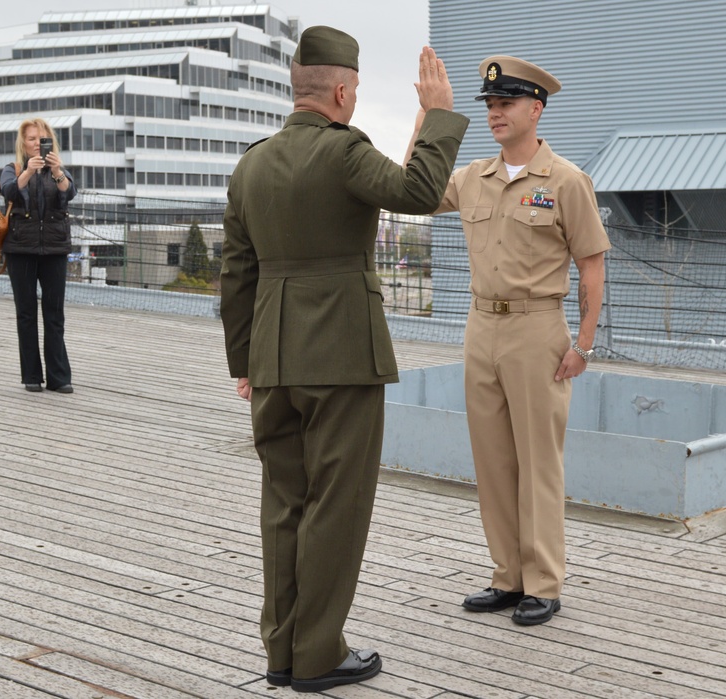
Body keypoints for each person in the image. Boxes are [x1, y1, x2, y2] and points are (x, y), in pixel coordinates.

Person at [219, 26, 469, 693]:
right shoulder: (342, 152)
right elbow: (417, 194)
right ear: (339, 89)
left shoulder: (251, 165)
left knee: (284, 502)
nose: (353, 99)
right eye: (354, 89)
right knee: (336, 503)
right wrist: (439, 113)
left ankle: (281, 648)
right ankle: (318, 653)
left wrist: (243, 360)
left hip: (272, 356)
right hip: (340, 356)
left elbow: (234, 274)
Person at [428, 56, 611, 626]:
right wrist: (430, 113)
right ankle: (506, 577)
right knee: (493, 461)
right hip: (480, 327)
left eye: (505, 104)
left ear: (536, 108)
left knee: (538, 462)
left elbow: (592, 267)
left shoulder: (567, 181)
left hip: (538, 328)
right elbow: (417, 189)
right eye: (488, 105)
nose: (494, 114)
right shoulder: (472, 177)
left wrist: (582, 344)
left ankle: (544, 582)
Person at [0, 117, 77, 394]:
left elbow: (69, 193)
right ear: (23, 142)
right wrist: (28, 172)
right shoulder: (13, 169)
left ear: (50, 141)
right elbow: (9, 193)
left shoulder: (59, 169)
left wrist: (55, 171)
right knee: (26, 312)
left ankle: (59, 377)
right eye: (31, 139)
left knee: (55, 313)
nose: (37, 144)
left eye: (41, 138)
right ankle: (31, 376)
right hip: (20, 248)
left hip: (55, 249)